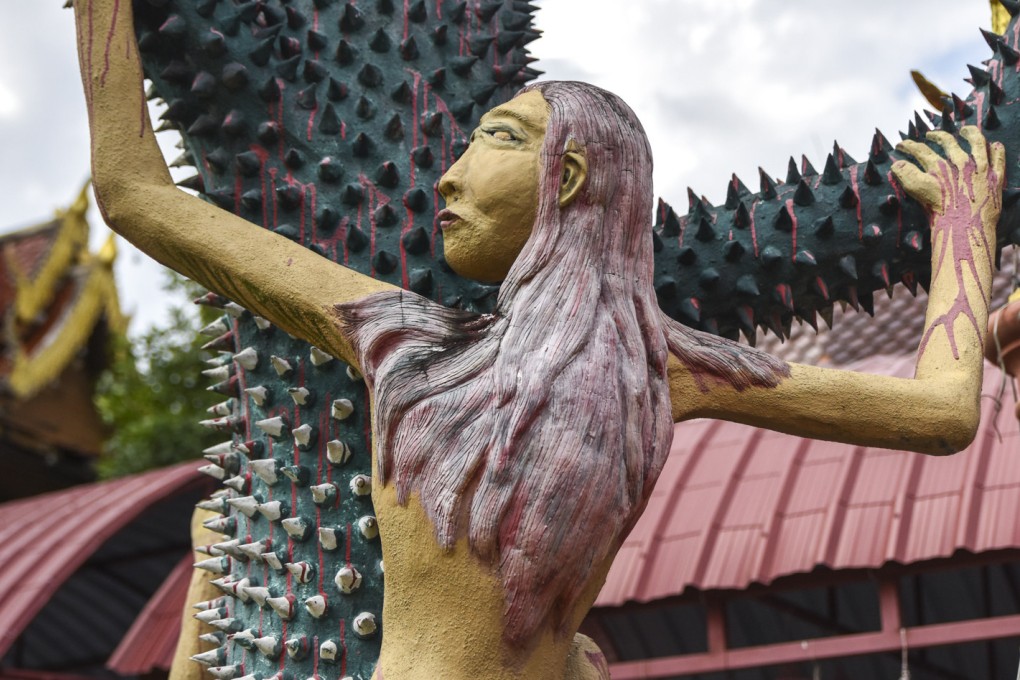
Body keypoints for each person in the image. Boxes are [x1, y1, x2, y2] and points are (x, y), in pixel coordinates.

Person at [73, 0, 1004, 678]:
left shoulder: (407, 339)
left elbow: (137, 196)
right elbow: (942, 412)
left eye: (496, 138)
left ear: (568, 181)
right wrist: (964, 227)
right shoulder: (662, 371)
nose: (448, 175)